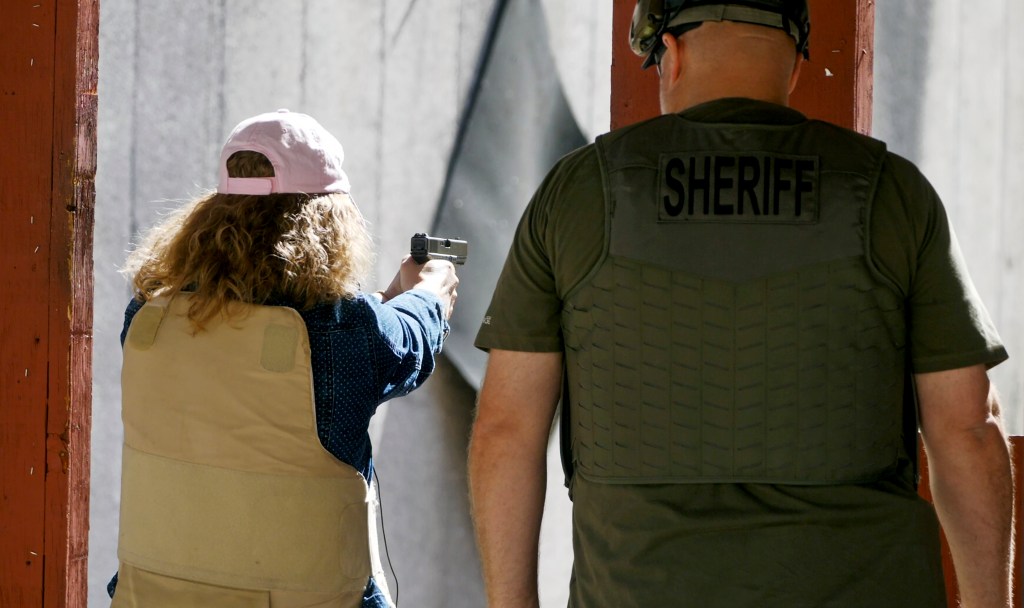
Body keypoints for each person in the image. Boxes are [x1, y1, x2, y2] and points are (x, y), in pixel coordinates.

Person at [469, 1, 1014, 606]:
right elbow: (968, 425)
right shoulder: (893, 193)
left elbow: (506, 429)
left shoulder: (578, 194)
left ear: (669, 57)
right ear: (794, 68)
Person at [109, 109, 459, 608]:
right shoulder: (342, 330)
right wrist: (428, 290)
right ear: (327, 220)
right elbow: (408, 344)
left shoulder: (147, 317)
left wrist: (383, 305)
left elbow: (236, 367)